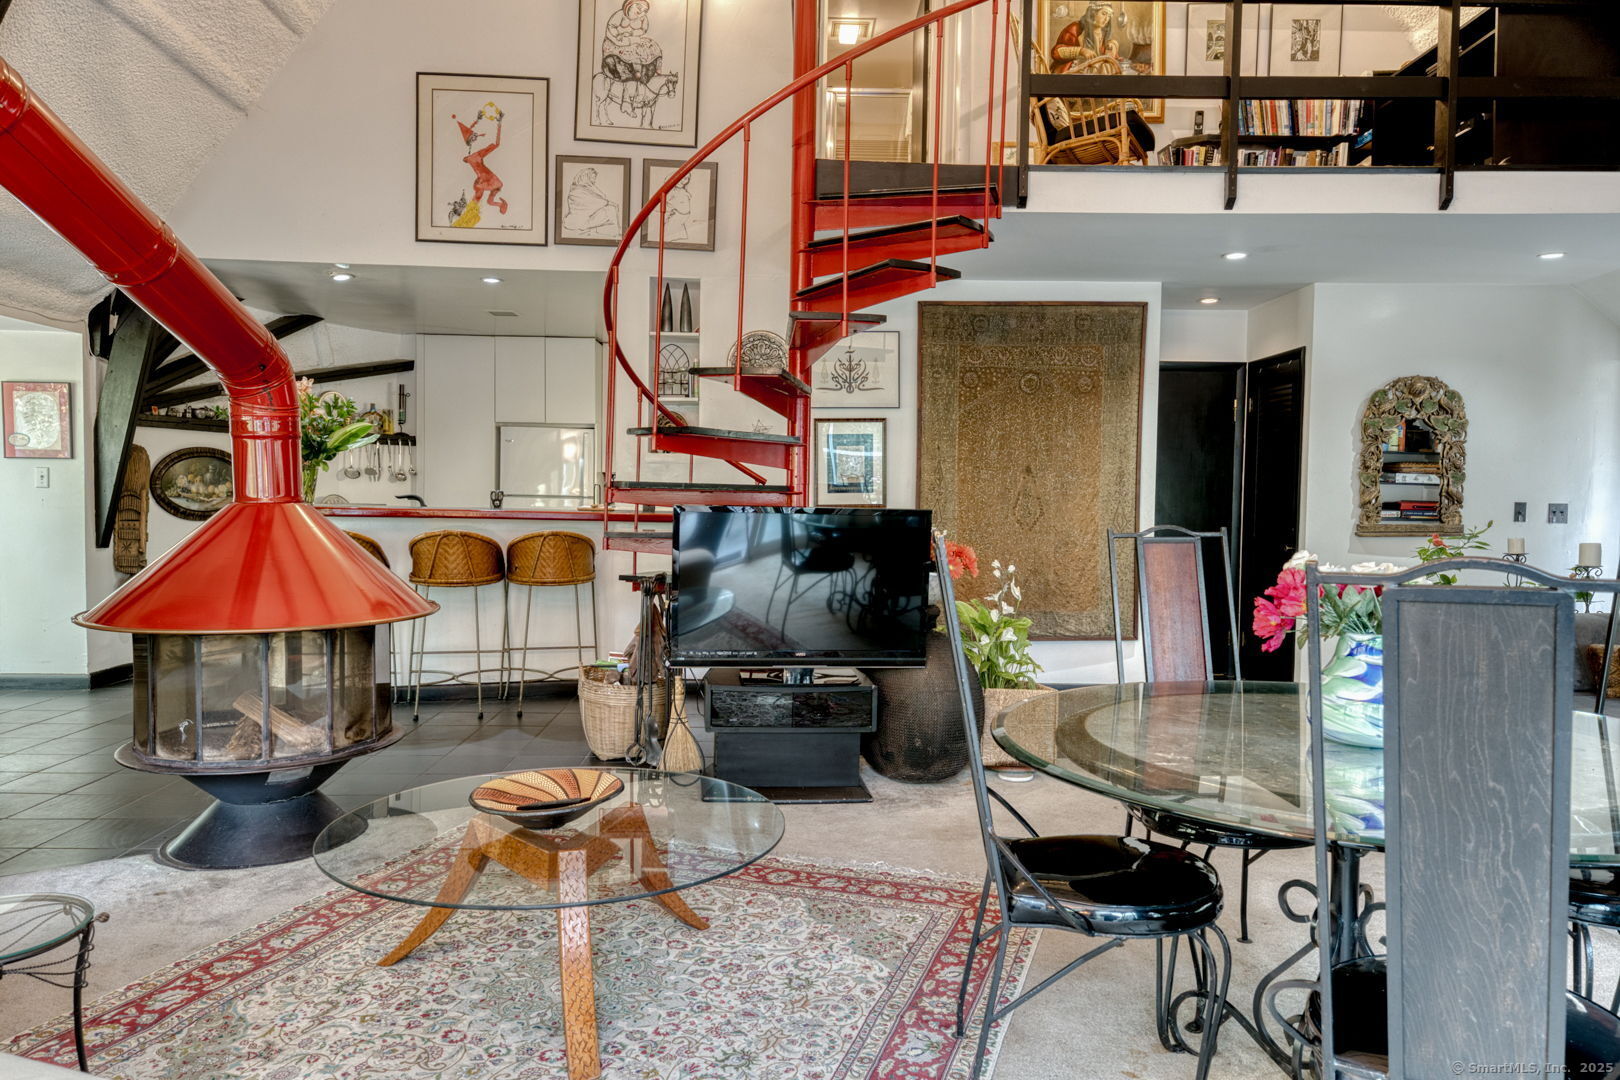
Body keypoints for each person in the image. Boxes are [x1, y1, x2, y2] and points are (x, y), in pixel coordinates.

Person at [449, 104, 507, 228]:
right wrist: (477, 120)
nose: (475, 137)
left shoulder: (476, 153)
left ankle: (467, 220)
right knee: (486, 200)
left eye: (474, 136)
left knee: (479, 199)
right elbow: (468, 134)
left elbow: (496, 144)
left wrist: (499, 123)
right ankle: (500, 205)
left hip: (487, 179)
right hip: (484, 179)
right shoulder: (471, 152)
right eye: (472, 137)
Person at [563, 167, 621, 238]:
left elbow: (601, 198)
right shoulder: (577, 191)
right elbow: (596, 201)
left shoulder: (585, 188)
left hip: (584, 219)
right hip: (579, 221)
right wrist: (610, 203)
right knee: (610, 209)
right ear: (586, 177)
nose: (594, 180)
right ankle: (616, 232)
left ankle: (616, 232)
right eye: (593, 178)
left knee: (609, 209)